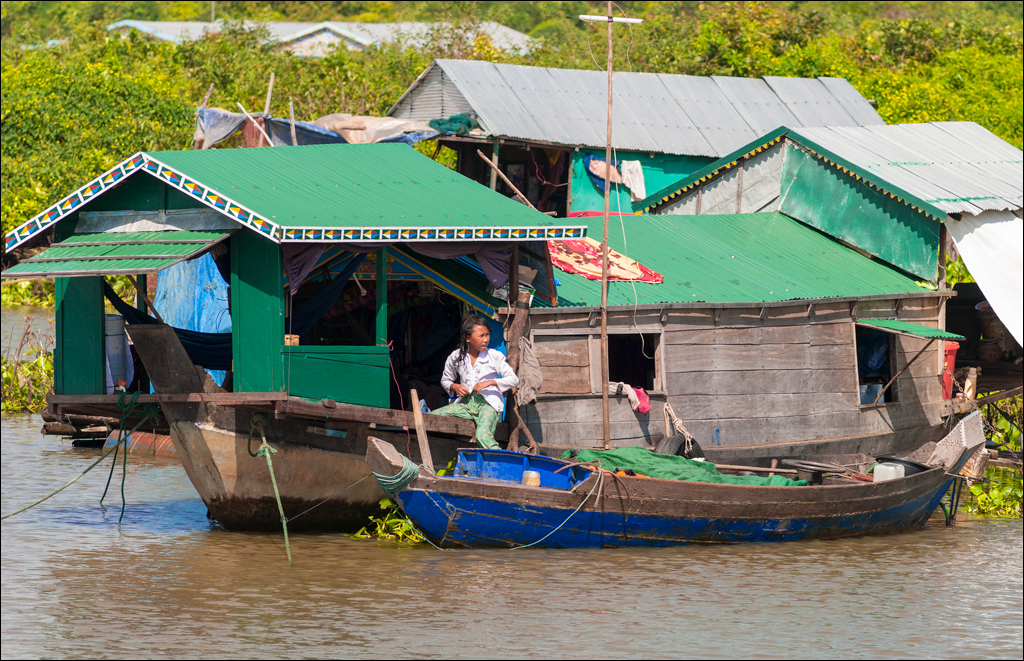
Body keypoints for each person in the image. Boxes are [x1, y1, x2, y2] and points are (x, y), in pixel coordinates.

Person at [433, 314, 519, 449]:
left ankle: (504, 461)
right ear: (467, 338)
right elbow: (445, 380)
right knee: (433, 416)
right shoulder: (456, 356)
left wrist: (490, 382)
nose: (486, 339)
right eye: (481, 336)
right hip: (466, 405)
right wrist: (455, 386)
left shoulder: (494, 356)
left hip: (487, 405)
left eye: (487, 335)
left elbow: (513, 379)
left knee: (482, 436)